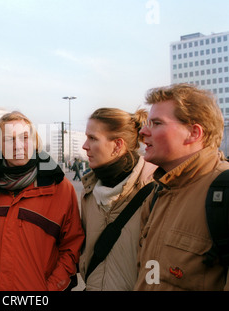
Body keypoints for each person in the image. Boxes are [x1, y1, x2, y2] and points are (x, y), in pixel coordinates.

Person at [0, 111, 84, 291]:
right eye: (9, 139)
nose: (18, 146)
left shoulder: (60, 188)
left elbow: (71, 249)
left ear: (35, 143)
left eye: (24, 138)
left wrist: (50, 289)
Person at [134, 83, 229, 291]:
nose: (143, 132)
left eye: (157, 123)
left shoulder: (223, 193)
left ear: (193, 133)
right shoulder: (158, 193)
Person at [79, 108, 156, 291]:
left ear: (117, 145)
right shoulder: (88, 191)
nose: (84, 146)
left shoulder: (155, 189)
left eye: (93, 138)